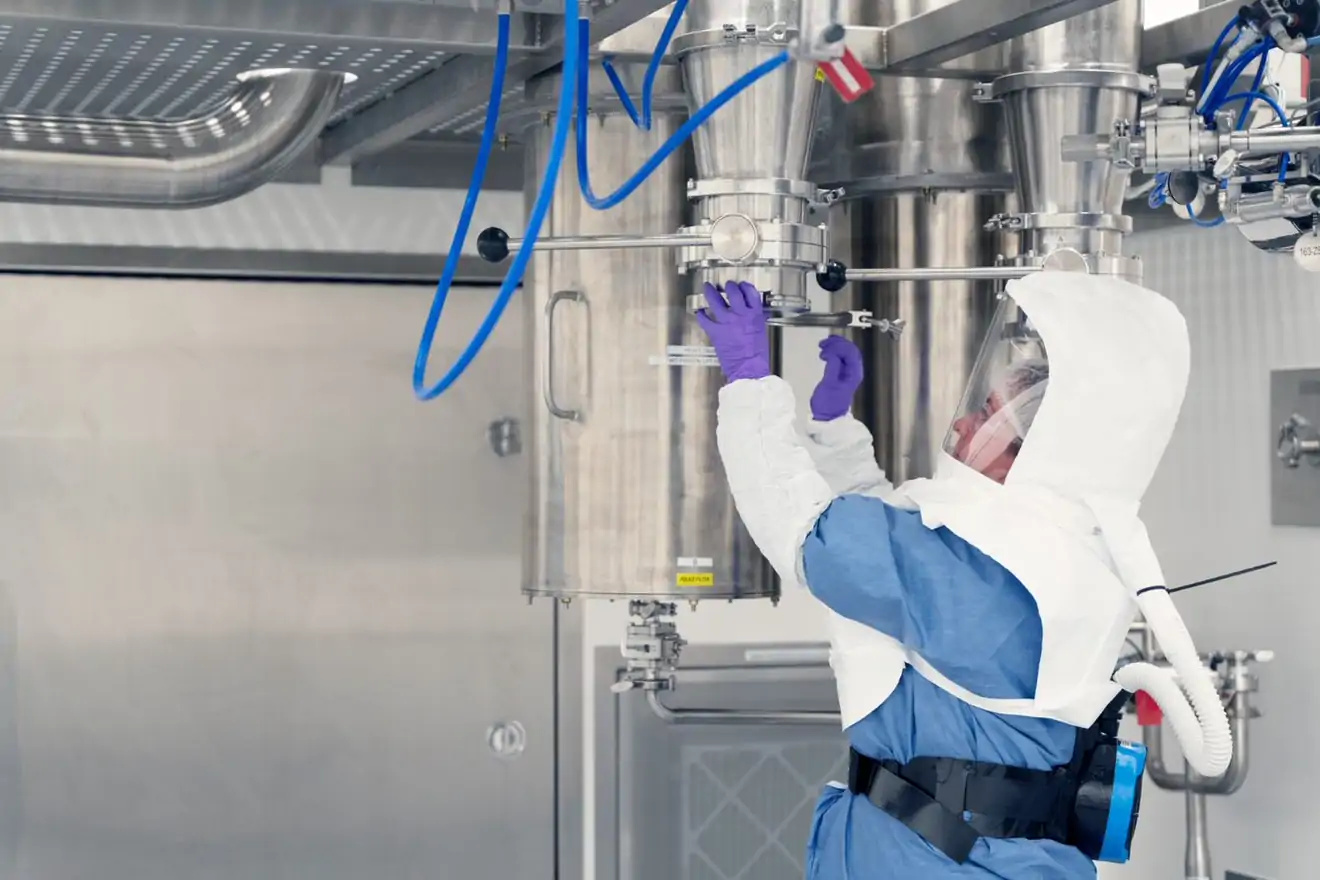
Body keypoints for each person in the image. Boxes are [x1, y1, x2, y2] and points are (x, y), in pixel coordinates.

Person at [694, 277, 1227, 879]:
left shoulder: (992, 576)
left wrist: (749, 384)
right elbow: (894, 550)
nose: (972, 421)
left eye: (995, 415)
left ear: (1046, 449)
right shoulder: (1050, 556)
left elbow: (807, 531)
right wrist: (833, 430)